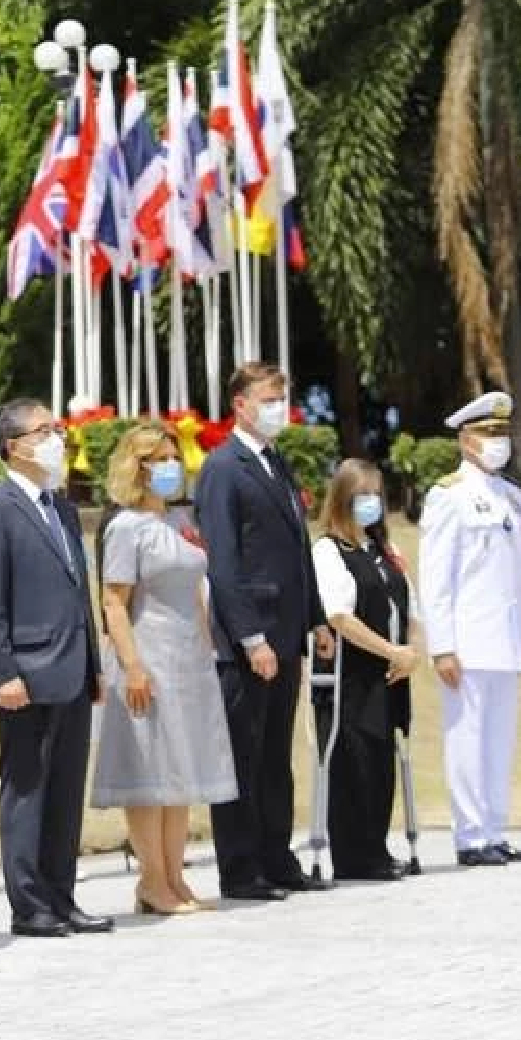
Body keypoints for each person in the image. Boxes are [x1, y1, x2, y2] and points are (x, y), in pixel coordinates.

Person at [0, 397, 112, 938]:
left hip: (70, 670)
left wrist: (94, 664)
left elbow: (78, 593)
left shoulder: (62, 508)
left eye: (57, 428)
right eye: (44, 431)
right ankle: (28, 905)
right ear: (12, 446)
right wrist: (2, 674)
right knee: (27, 789)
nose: (57, 439)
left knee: (66, 791)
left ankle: (60, 895)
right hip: (24, 674)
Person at [193, 362, 335, 900]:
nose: (279, 405)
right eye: (269, 397)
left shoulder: (275, 462)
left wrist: (315, 616)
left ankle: (278, 857)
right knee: (244, 755)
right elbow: (224, 564)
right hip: (248, 641)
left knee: (275, 755)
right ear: (241, 405)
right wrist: (250, 638)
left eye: (283, 395)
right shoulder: (223, 468)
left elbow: (296, 550)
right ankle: (240, 866)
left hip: (286, 631)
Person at [92, 423, 239, 913]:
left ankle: (175, 878)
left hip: (189, 659)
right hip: (147, 655)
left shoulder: (176, 523)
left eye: (174, 456)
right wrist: (131, 665)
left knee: (181, 774)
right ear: (138, 467)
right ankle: (151, 881)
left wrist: (205, 647)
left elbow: (197, 589)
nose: (171, 466)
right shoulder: (125, 527)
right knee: (150, 772)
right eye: (159, 458)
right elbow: (113, 602)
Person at [420, 390, 521, 868]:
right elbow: (436, 576)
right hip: (468, 641)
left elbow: (518, 577)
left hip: (504, 640)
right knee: (467, 739)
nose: (499, 442)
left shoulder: (511, 495)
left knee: (499, 741)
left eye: (502, 433)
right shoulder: (448, 495)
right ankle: (470, 835)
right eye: (489, 433)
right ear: (466, 440)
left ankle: (494, 828)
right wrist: (442, 646)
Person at [310, 459, 421, 881]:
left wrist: (408, 651)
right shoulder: (329, 551)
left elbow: (409, 604)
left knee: (382, 759)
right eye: (362, 496)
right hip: (353, 672)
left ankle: (377, 845)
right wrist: (390, 650)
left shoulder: (382, 551)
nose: (371, 504)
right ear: (342, 500)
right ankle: (355, 854)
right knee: (355, 758)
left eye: (376, 495)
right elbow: (339, 616)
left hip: (391, 670)